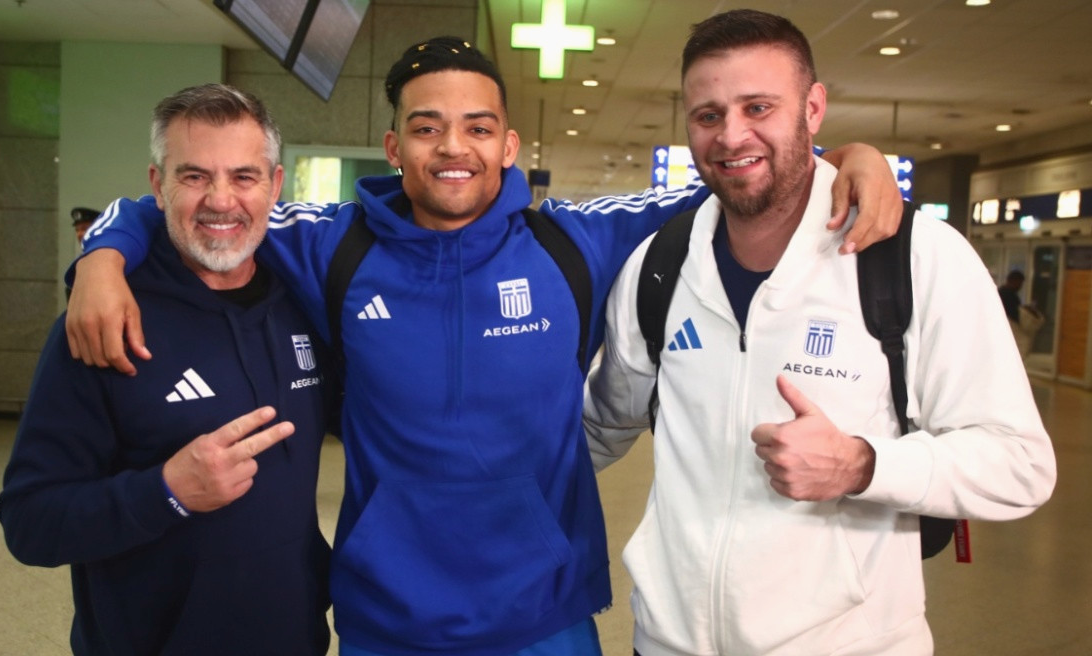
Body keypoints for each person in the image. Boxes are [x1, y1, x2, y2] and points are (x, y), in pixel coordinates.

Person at [64, 38, 903, 656]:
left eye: (477, 127)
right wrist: (101, 257)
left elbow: (741, 173)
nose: (452, 148)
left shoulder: (575, 243)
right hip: (386, 619)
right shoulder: (330, 243)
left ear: (508, 145)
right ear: (394, 147)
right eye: (426, 128)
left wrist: (848, 159)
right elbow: (190, 205)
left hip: (544, 616)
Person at [582, 10, 1057, 656]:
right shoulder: (659, 265)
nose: (732, 135)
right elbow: (600, 426)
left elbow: (1021, 464)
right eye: (708, 115)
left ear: (812, 108)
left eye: (758, 107)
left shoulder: (914, 257)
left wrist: (863, 464)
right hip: (668, 642)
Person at [0, 84, 334, 655]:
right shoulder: (106, 323)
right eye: (194, 176)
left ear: (275, 186)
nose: (221, 200)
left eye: (244, 177)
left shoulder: (304, 303)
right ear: (158, 185)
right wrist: (167, 492)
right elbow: (30, 524)